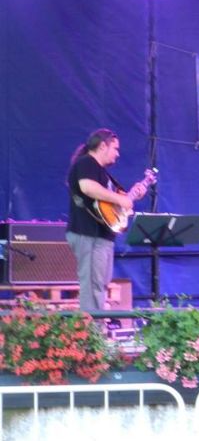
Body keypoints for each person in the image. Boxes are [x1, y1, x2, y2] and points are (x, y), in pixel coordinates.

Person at [66, 129, 148, 311]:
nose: (118, 154)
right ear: (103, 146)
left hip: (101, 236)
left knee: (100, 284)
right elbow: (87, 187)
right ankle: (92, 326)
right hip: (88, 233)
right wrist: (120, 199)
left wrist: (131, 196)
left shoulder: (102, 173)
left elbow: (110, 206)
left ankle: (96, 324)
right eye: (115, 148)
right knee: (92, 286)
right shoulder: (87, 162)